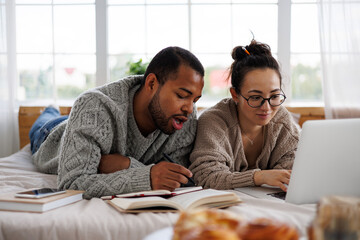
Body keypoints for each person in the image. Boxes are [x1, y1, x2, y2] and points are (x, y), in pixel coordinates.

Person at [30, 46, 205, 199]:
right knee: (46, 121)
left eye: (195, 100)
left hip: (83, 124)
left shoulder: (184, 118)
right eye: (182, 96)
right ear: (151, 83)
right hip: (50, 136)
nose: (189, 109)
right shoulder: (94, 105)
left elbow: (177, 178)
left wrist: (126, 164)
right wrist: (146, 177)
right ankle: (50, 109)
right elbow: (72, 183)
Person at [189, 40, 299, 192]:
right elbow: (205, 176)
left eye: (274, 96)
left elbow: (293, 169)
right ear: (235, 95)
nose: (266, 108)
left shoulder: (282, 120)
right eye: (255, 97)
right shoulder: (215, 122)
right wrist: (259, 177)